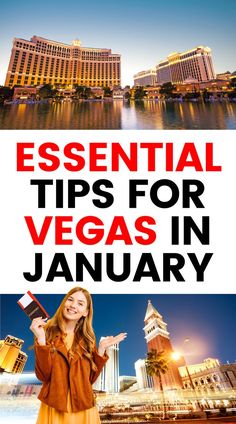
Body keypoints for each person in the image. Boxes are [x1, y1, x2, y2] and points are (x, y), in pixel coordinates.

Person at [30, 287, 127, 424]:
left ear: (86, 312)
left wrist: (100, 351)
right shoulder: (46, 334)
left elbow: (89, 380)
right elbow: (44, 376)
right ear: (64, 303)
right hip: (55, 406)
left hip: (83, 408)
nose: (73, 305)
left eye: (80, 303)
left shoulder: (87, 341)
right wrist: (41, 340)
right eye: (70, 300)